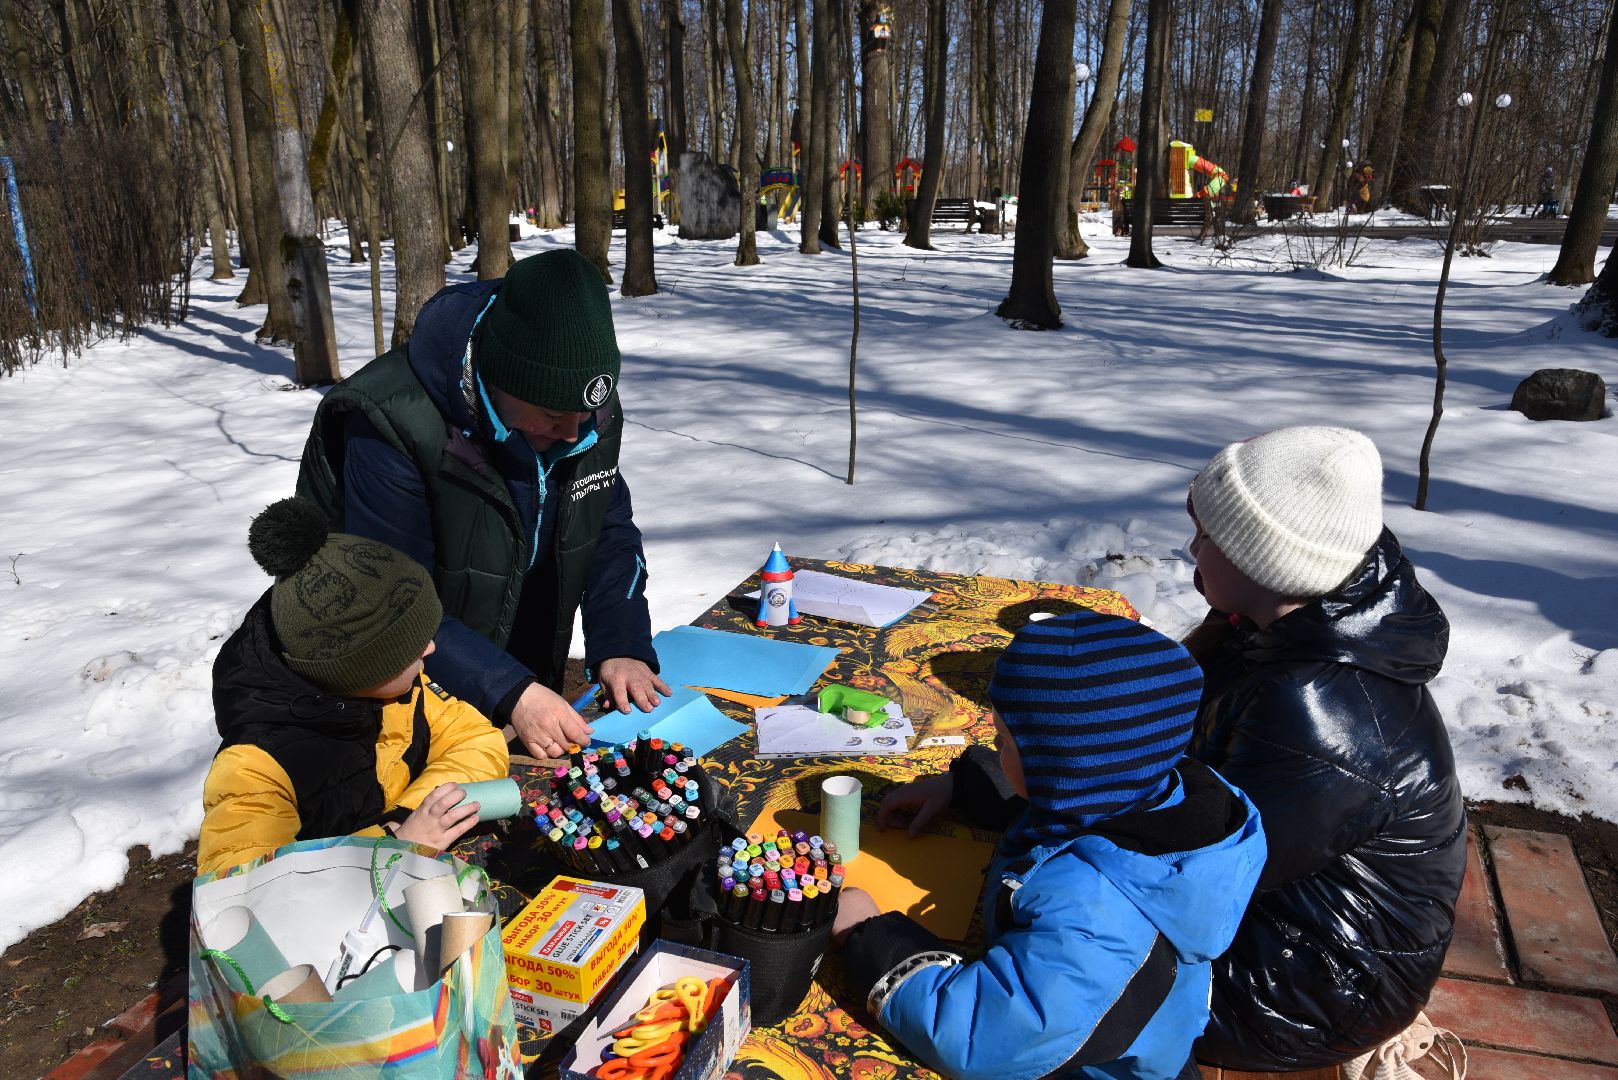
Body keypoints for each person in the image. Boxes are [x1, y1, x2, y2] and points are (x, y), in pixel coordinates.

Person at [833, 611, 1266, 1080]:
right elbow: (1065, 805)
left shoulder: (1098, 918)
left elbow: (987, 1037)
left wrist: (873, 940)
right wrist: (964, 786)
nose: (995, 748)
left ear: (1063, 769)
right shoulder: (1148, 791)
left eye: (1003, 742)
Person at [296, 250, 670, 761]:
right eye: (553, 414)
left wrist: (621, 642)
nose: (574, 432)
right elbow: (390, 596)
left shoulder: (586, 411)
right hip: (389, 690)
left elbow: (608, 530)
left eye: (587, 413)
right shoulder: (390, 425)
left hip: (512, 676)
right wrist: (507, 689)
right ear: (500, 380)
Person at [1181, 426, 1465, 1071]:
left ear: (1264, 561)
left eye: (1208, 538)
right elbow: (1172, 740)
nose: (1191, 550)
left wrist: (1027, 787)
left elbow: (1194, 867)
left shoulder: (1313, 704)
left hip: (1306, 995)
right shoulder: (1285, 630)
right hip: (1300, 938)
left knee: (1057, 949)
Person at [198, 498, 509, 876]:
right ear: (356, 670)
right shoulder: (255, 766)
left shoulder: (397, 690)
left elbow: (476, 740)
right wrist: (395, 844)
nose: (431, 648)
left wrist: (408, 816)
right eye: (409, 648)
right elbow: (243, 901)